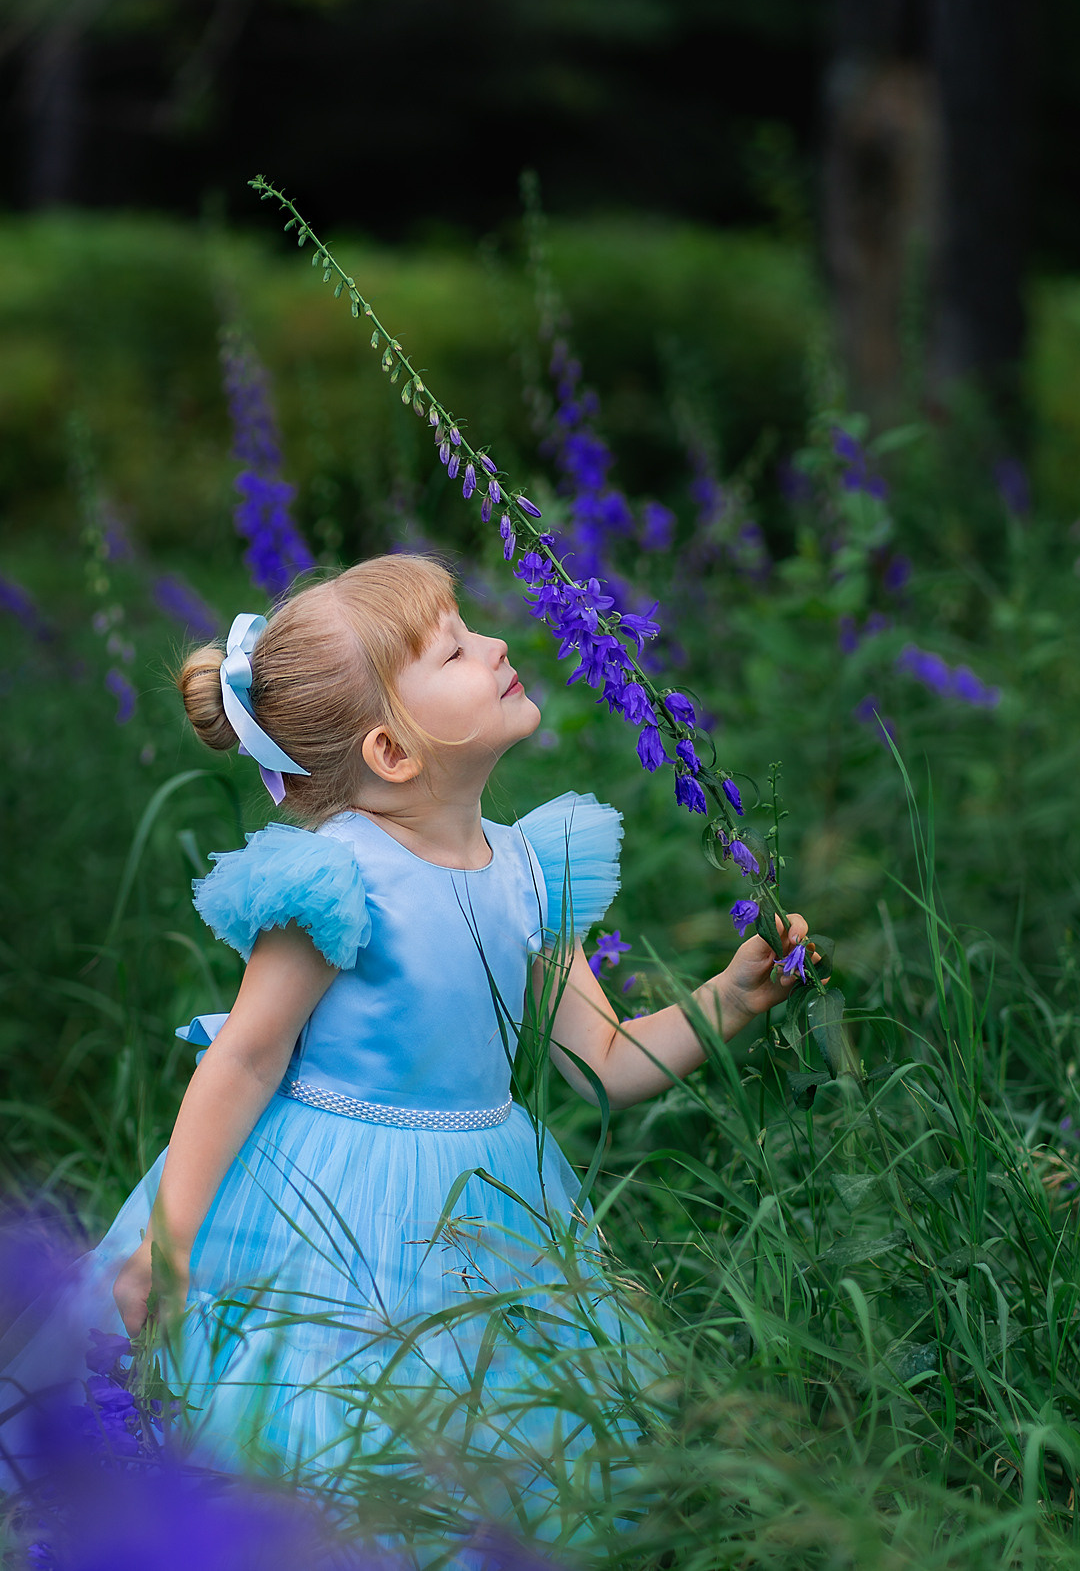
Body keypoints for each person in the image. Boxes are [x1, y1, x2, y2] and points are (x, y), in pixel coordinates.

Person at [2, 553, 817, 1547]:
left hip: (492, 1210)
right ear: (392, 750)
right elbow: (245, 1060)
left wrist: (725, 1003)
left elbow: (598, 1059)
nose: (500, 645)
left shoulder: (527, 866)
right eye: (459, 649)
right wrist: (165, 1249)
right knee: (324, 1427)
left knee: (502, 1433)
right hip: (328, 1201)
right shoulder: (338, 877)